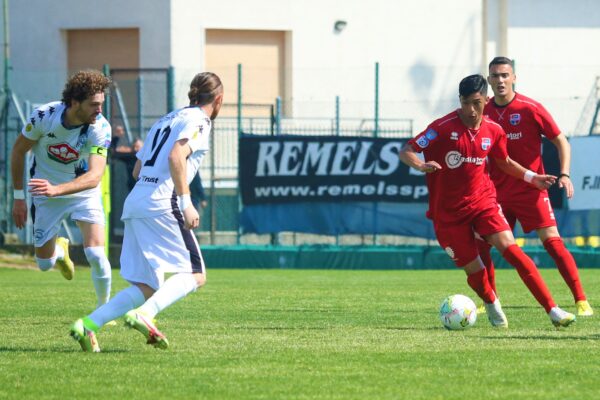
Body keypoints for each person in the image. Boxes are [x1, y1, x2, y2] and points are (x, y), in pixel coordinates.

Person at [399, 74, 576, 328]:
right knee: (475, 270)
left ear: (486, 99)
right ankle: (492, 302)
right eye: (466, 103)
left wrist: (531, 177)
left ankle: (552, 309)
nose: (471, 110)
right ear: (460, 101)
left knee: (512, 249)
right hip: (447, 214)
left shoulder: (493, 130)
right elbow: (407, 150)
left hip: (484, 202)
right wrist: (420, 164)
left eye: (477, 103)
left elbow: (503, 162)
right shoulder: (442, 127)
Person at [70, 72, 224, 352]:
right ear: (219, 99)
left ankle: (88, 325)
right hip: (162, 202)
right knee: (196, 274)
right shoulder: (201, 120)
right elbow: (176, 156)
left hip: (137, 200)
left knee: (146, 284)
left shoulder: (167, 118)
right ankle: (146, 314)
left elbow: (138, 170)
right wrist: (186, 202)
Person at [479, 56, 592, 317]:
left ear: (514, 78)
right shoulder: (482, 109)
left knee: (552, 242)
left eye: (505, 75)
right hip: (495, 191)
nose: (500, 80)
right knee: (483, 244)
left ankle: (581, 300)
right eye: (495, 76)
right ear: (489, 80)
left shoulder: (530, 108)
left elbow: (561, 141)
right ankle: (489, 300)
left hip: (530, 189)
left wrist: (564, 173)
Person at [10, 69, 113, 311]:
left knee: (97, 255)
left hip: (82, 192)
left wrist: (57, 190)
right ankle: (59, 249)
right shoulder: (44, 117)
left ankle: (104, 311)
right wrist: (18, 198)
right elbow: (17, 151)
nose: (100, 111)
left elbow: (95, 176)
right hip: (46, 192)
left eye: (101, 104)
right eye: (94, 105)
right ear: (74, 102)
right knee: (44, 264)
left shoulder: (100, 127)